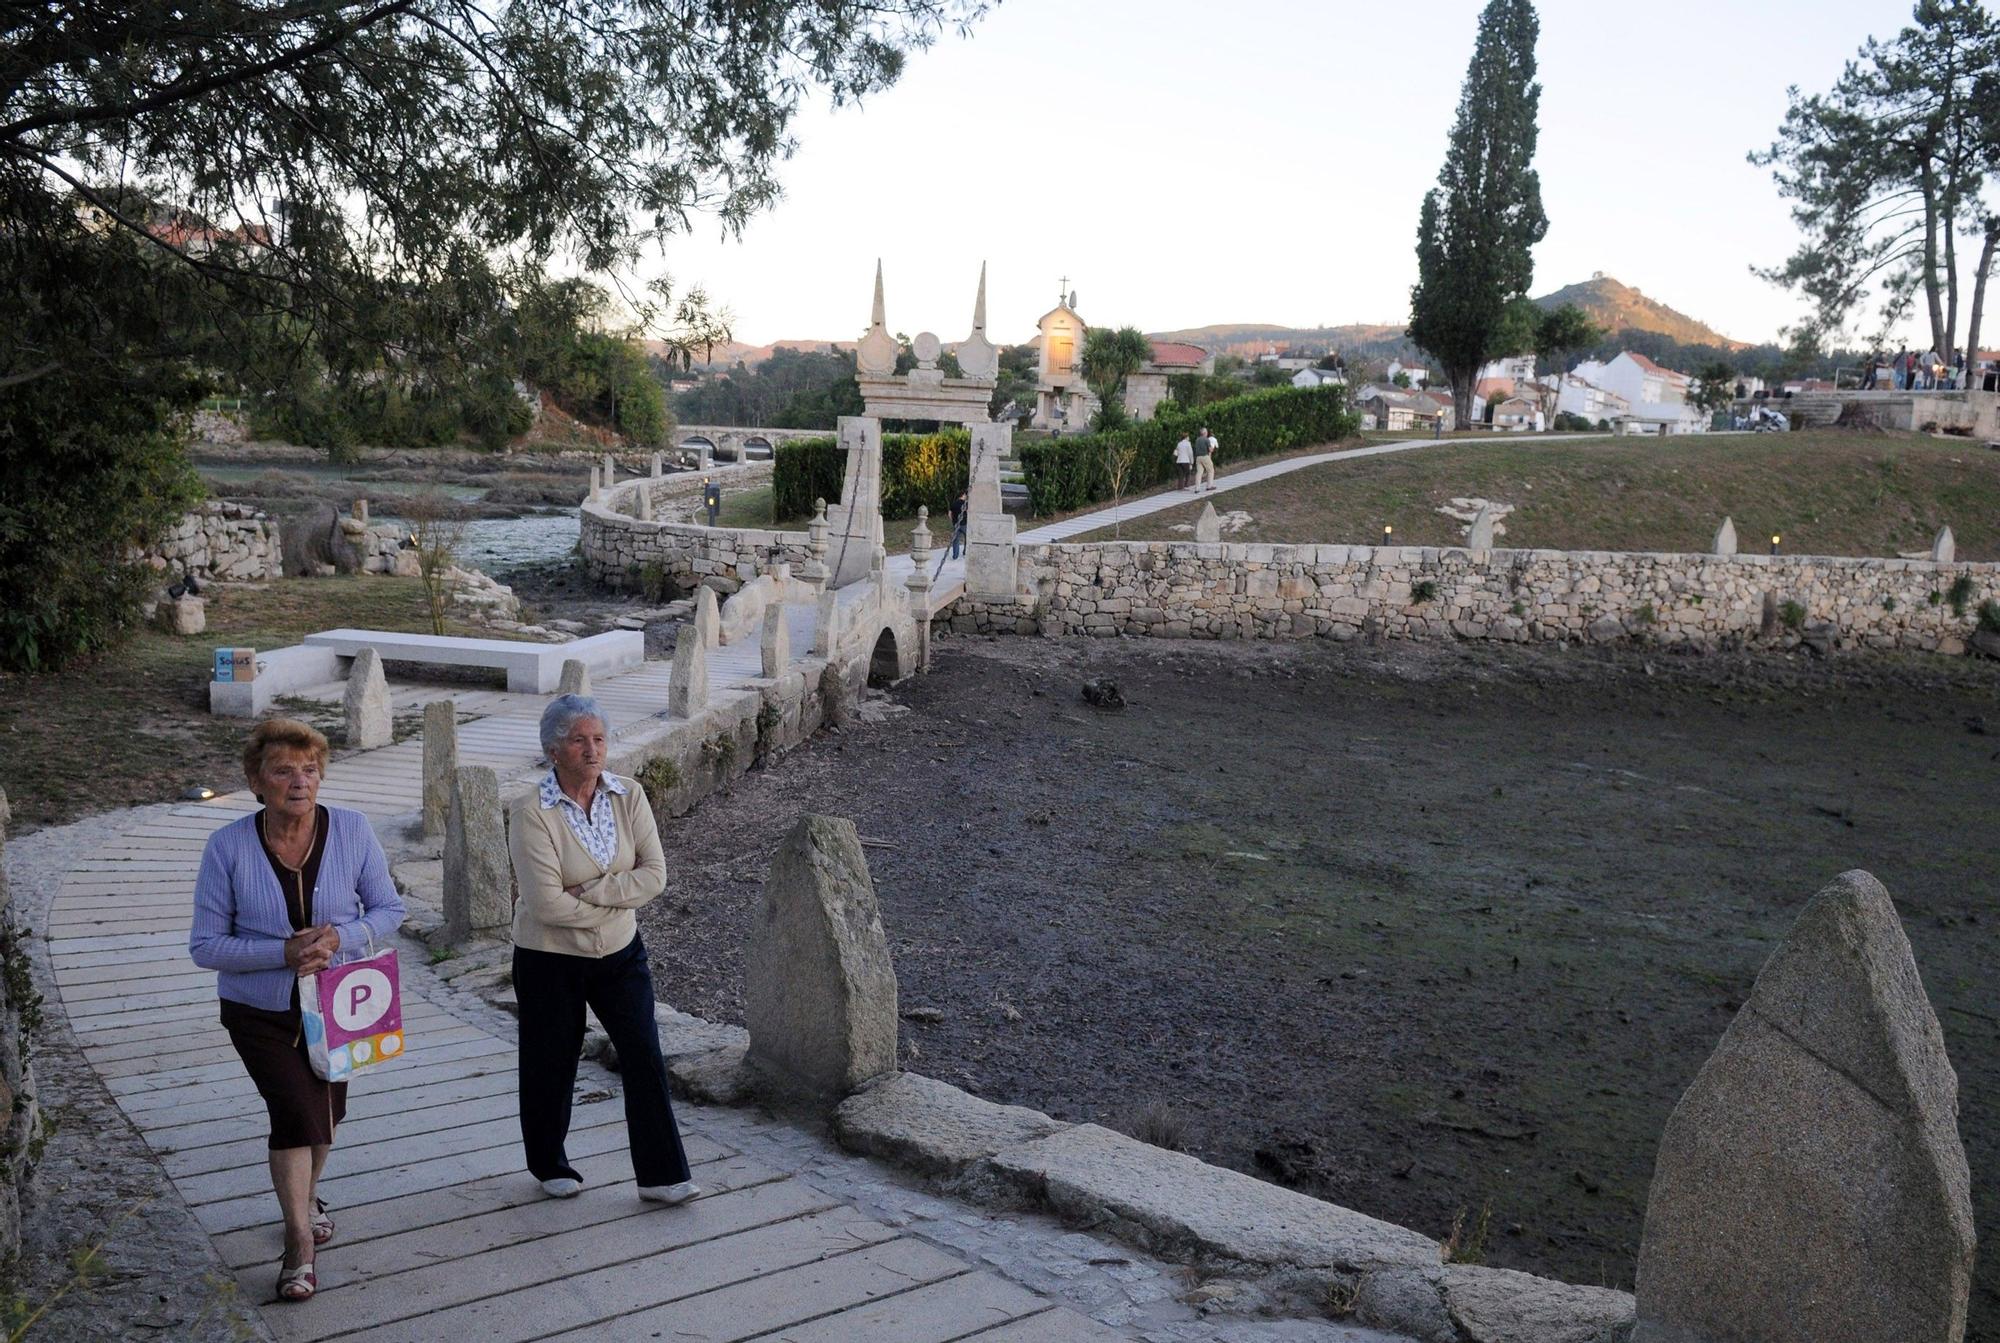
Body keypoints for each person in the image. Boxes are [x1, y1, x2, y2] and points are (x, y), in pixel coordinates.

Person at [189, 719, 406, 1304]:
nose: (299, 781)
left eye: (309, 769)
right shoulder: (228, 846)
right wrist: (280, 953)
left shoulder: (353, 830)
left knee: (327, 1114)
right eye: (284, 770)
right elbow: (206, 947)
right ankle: (298, 1243)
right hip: (258, 1011)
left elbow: (389, 910)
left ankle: (308, 1198)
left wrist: (344, 935)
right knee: (293, 1113)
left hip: (343, 1003)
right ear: (257, 781)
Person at [509, 695, 696, 1208]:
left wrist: (591, 893)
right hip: (550, 958)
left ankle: (662, 1175)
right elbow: (546, 905)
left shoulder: (628, 795)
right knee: (551, 1061)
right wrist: (619, 892)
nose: (592, 750)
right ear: (553, 750)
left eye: (598, 739)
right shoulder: (531, 813)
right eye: (578, 740)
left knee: (644, 1055)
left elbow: (655, 875)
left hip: (619, 953)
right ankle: (549, 1162)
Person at [1192, 426, 1216, 493]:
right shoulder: (1206, 439)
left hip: (1198, 458)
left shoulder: (1197, 440)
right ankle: (1209, 486)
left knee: (1199, 473)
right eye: (1207, 432)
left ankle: (1197, 488)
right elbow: (1210, 450)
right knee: (1211, 470)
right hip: (1205, 456)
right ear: (1205, 433)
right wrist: (1213, 446)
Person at [947, 490, 967, 560]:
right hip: (964, 524)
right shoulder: (965, 503)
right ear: (963, 495)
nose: (966, 496)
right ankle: (965, 552)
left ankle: (955, 556)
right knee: (967, 538)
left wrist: (953, 521)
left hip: (956, 524)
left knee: (956, 540)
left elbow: (949, 514)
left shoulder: (954, 503)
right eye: (965, 495)